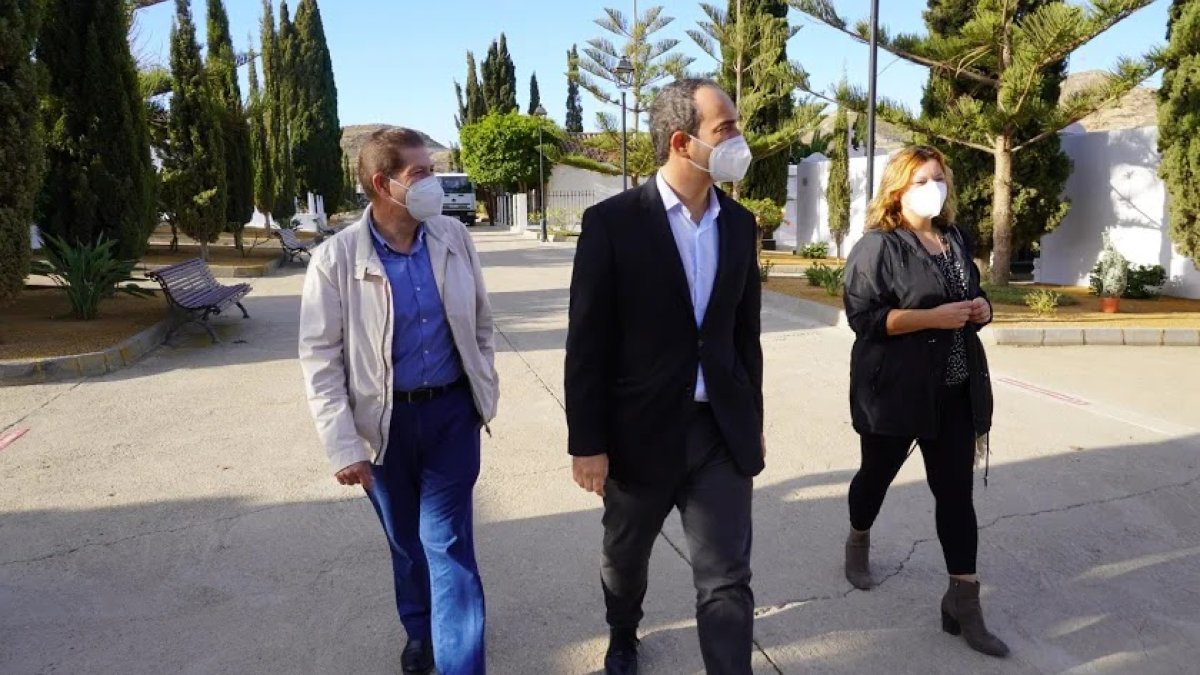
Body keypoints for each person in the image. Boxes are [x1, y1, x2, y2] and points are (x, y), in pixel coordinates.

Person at [565, 79, 765, 675]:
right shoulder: (613, 223)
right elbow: (587, 342)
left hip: (717, 433)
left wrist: (752, 421)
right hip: (638, 433)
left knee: (727, 577)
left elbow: (743, 337)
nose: (738, 138)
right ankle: (622, 632)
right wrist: (588, 443)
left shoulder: (738, 223)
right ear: (682, 142)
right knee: (625, 559)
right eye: (724, 129)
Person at [298, 128, 499, 675]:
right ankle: (419, 630)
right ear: (384, 185)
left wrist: (484, 387)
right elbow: (320, 360)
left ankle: (461, 665)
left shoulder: (454, 237)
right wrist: (343, 445)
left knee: (448, 545)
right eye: (421, 174)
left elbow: (481, 322)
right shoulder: (335, 261)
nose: (433, 184)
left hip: (451, 415)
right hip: (381, 426)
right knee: (408, 544)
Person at [841, 145, 1008, 658]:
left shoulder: (954, 239)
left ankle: (964, 601)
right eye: (921, 180)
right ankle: (858, 538)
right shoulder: (878, 247)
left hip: (955, 391)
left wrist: (982, 308)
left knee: (956, 495)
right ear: (898, 189)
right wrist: (931, 318)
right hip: (895, 390)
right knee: (876, 476)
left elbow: (972, 299)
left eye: (938, 178)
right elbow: (864, 320)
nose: (933, 187)